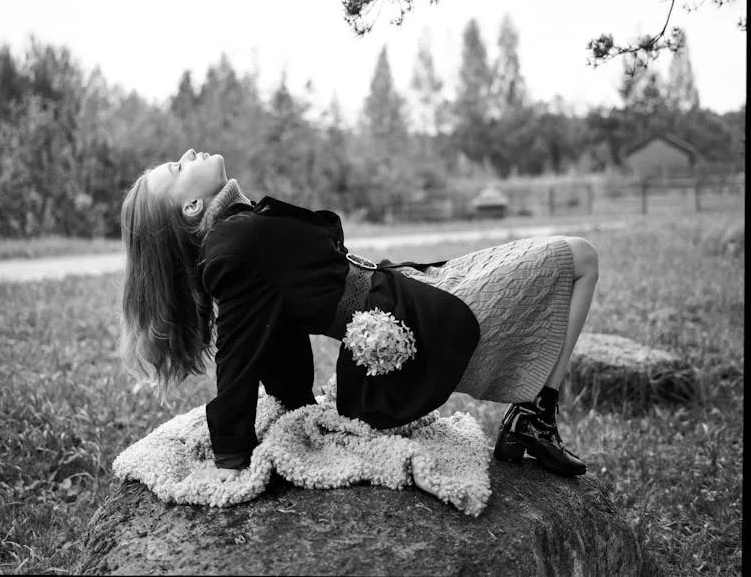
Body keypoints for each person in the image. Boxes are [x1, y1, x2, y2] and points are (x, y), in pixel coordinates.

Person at [119, 149, 599, 484]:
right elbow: (242, 349)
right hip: (412, 327)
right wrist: (231, 454)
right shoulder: (233, 246)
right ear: (192, 205)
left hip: (411, 289)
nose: (189, 152)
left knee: (579, 258)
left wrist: (295, 401)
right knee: (579, 259)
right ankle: (534, 421)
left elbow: (273, 331)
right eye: (179, 167)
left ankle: (532, 421)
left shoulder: (236, 232)